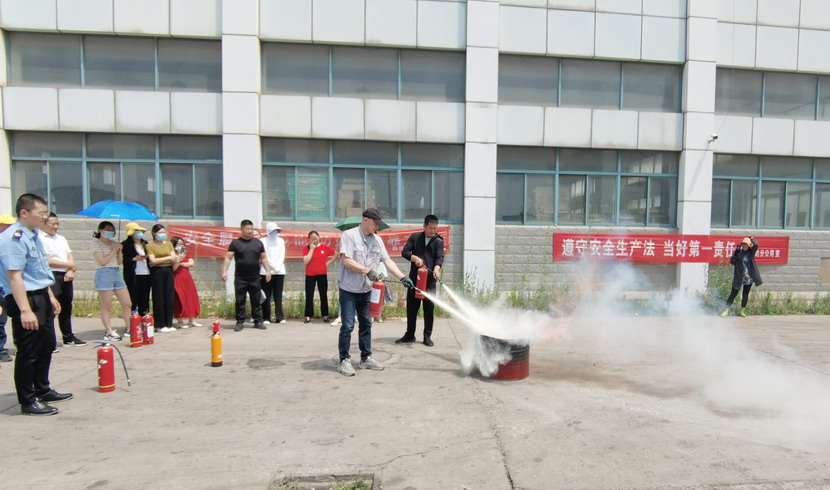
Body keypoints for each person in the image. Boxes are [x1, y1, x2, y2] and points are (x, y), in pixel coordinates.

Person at [0, 193, 70, 415]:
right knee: (29, 351)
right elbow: (15, 277)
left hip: (40, 295)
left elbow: (39, 271)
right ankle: (28, 400)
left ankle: (42, 389)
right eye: (41, 213)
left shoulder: (34, 236)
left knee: (46, 345)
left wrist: (50, 296)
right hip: (25, 299)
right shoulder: (14, 238)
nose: (45, 217)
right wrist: (25, 310)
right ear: (24, 213)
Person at [336, 207, 413, 377]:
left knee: (366, 324)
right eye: (375, 224)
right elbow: (346, 260)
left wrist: (402, 277)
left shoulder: (377, 240)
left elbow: (387, 260)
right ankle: (344, 360)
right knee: (348, 325)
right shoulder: (349, 236)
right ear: (366, 220)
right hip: (349, 289)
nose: (377, 227)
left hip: (366, 289)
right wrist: (367, 270)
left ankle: (366, 358)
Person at [398, 215, 444, 347]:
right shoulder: (415, 237)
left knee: (429, 309)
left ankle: (427, 336)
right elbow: (405, 252)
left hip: (429, 281)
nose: (433, 231)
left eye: (435, 228)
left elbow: (439, 258)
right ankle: (410, 334)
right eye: (430, 228)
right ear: (424, 226)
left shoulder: (438, 241)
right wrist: (415, 258)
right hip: (415, 279)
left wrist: (436, 269)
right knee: (412, 308)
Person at [40, 213, 85, 347]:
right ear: (44, 223)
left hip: (66, 275)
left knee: (66, 307)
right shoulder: (39, 238)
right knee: (52, 308)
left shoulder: (61, 238)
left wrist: (70, 269)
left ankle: (68, 337)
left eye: (57, 223)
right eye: (52, 224)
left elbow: (69, 255)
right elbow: (46, 260)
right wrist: (69, 265)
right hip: (51, 275)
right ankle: (49, 341)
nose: (55, 226)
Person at [221, 220, 270, 332]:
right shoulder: (235, 243)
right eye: (247, 229)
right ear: (242, 229)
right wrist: (224, 271)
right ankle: (240, 321)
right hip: (241, 278)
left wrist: (268, 271)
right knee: (240, 300)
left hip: (255, 277)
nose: (250, 231)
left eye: (251, 229)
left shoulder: (258, 243)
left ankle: (257, 321)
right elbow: (228, 258)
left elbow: (263, 258)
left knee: (256, 300)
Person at [92, 221, 132, 341]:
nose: (110, 231)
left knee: (127, 303)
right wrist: (114, 250)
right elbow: (102, 261)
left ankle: (129, 328)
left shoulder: (114, 243)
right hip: (104, 272)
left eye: (112, 229)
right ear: (100, 230)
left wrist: (119, 252)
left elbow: (119, 262)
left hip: (116, 272)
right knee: (106, 305)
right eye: (107, 229)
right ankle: (108, 331)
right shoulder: (96, 243)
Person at [146, 224, 178, 333]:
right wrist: (168, 258)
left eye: (164, 232)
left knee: (169, 297)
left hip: (168, 271)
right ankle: (160, 325)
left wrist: (160, 260)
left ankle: (169, 323)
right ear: (154, 233)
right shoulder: (150, 246)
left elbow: (174, 258)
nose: (162, 234)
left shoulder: (168, 244)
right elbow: (152, 261)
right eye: (160, 232)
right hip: (157, 272)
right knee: (158, 298)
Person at [720, 236, 763, 317]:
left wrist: (751, 239)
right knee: (733, 293)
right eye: (743, 244)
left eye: (746, 244)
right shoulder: (739, 253)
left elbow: (756, 245)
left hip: (748, 278)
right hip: (739, 277)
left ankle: (742, 311)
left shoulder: (751, 253)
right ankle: (726, 310)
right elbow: (732, 262)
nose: (744, 246)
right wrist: (736, 252)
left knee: (745, 294)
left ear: (749, 245)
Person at [303, 230, 336, 323]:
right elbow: (306, 261)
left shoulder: (324, 247)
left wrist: (328, 263)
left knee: (323, 294)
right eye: (312, 238)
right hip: (310, 275)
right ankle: (308, 315)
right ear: (309, 239)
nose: (315, 240)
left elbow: (336, 254)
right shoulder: (306, 248)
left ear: (319, 237)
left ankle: (325, 315)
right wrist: (311, 249)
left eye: (316, 238)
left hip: (322, 274)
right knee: (309, 295)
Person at [121, 222, 151, 317]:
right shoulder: (125, 244)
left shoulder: (145, 243)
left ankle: (144, 316)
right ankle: (133, 317)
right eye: (136, 231)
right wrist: (134, 258)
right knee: (133, 296)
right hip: (133, 274)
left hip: (146, 273)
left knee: (145, 296)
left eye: (140, 231)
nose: (139, 233)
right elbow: (123, 259)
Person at [170, 237, 201, 328]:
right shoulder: (172, 254)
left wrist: (180, 263)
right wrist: (178, 260)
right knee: (179, 298)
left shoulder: (185, 253)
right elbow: (173, 268)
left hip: (187, 278)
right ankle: (180, 321)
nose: (181, 245)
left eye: (182, 244)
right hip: (177, 278)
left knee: (190, 297)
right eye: (178, 244)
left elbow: (191, 263)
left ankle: (191, 320)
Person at [260, 222, 286, 325]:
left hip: (279, 271)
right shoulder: (262, 241)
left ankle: (279, 317)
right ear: (268, 231)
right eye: (273, 230)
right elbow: (263, 256)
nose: (275, 232)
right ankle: (266, 317)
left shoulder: (281, 241)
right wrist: (272, 266)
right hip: (266, 271)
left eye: (276, 230)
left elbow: (282, 254)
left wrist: (278, 266)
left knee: (278, 295)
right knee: (266, 295)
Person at [0, 214, 17, 364]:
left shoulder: (10, 243)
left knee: (4, 319)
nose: (9, 228)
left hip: (5, 287)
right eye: (7, 225)